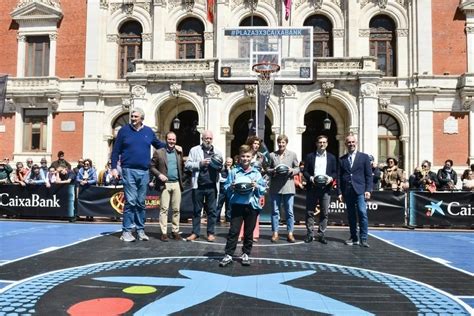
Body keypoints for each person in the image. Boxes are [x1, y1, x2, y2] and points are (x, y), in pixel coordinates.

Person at [111, 107, 167, 242]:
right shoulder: (124, 131)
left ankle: (140, 230)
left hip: (144, 171)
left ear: (142, 118)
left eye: (136, 117)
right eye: (132, 116)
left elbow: (158, 144)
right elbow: (115, 151)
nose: (133, 118)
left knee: (141, 203)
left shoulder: (148, 131)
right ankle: (126, 232)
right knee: (130, 201)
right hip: (128, 170)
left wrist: (172, 145)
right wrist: (113, 168)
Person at [219, 144, 267, 267]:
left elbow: (263, 189)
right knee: (234, 231)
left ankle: (246, 253)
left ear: (251, 158)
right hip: (237, 204)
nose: (245, 158)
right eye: (243, 156)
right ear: (239, 157)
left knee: (248, 232)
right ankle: (228, 254)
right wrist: (231, 186)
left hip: (252, 205)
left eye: (248, 156)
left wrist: (257, 186)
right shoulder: (234, 172)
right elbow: (225, 187)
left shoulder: (256, 173)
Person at [185, 130, 223, 242]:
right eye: (206, 138)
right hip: (199, 185)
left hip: (212, 186)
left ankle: (210, 233)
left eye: (210, 138)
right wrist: (200, 164)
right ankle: (195, 233)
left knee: (212, 211)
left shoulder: (218, 152)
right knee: (197, 210)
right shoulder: (194, 150)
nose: (208, 140)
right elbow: (187, 165)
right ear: (202, 139)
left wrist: (219, 166)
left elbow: (222, 166)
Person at [338, 134, 373, 248]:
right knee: (351, 215)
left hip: (360, 190)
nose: (351, 144)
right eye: (349, 142)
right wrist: (339, 192)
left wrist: (368, 190)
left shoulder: (364, 157)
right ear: (345, 144)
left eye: (353, 142)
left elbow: (368, 175)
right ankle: (354, 237)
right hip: (348, 191)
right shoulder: (342, 159)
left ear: (356, 143)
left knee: (362, 213)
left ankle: (363, 238)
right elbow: (339, 177)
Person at [150, 131, 184, 242]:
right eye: (169, 139)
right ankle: (164, 233)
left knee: (176, 209)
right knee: (164, 209)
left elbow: (182, 167)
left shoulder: (179, 152)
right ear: (166, 140)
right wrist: (159, 175)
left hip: (176, 183)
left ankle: (175, 231)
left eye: (173, 139)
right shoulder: (159, 152)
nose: (171, 141)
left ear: (176, 141)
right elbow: (151, 166)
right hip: (164, 184)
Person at [303, 135, 337, 244]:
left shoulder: (332, 157)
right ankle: (310, 233)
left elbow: (335, 172)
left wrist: (331, 178)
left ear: (327, 144)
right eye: (320, 142)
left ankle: (321, 233)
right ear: (316, 143)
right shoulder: (309, 156)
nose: (322, 144)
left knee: (324, 212)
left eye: (324, 142)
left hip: (326, 188)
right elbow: (305, 171)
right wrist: (311, 178)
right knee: (309, 211)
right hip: (312, 187)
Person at [267, 134, 299, 243]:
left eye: (283, 142)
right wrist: (273, 171)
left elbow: (298, 168)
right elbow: (267, 169)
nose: (281, 144)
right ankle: (275, 233)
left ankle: (290, 233)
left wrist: (292, 171)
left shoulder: (293, 155)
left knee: (289, 211)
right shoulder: (272, 155)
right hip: (275, 187)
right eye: (279, 142)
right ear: (277, 143)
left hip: (288, 186)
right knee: (275, 211)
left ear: (286, 143)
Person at [217, 157, 233, 224]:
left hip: (229, 189)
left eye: (230, 162)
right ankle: (216, 219)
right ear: (225, 162)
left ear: (231, 163)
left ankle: (228, 219)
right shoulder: (221, 169)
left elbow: (232, 179)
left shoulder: (233, 170)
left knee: (229, 205)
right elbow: (221, 179)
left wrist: (229, 171)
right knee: (219, 205)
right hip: (222, 188)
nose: (228, 163)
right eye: (227, 162)